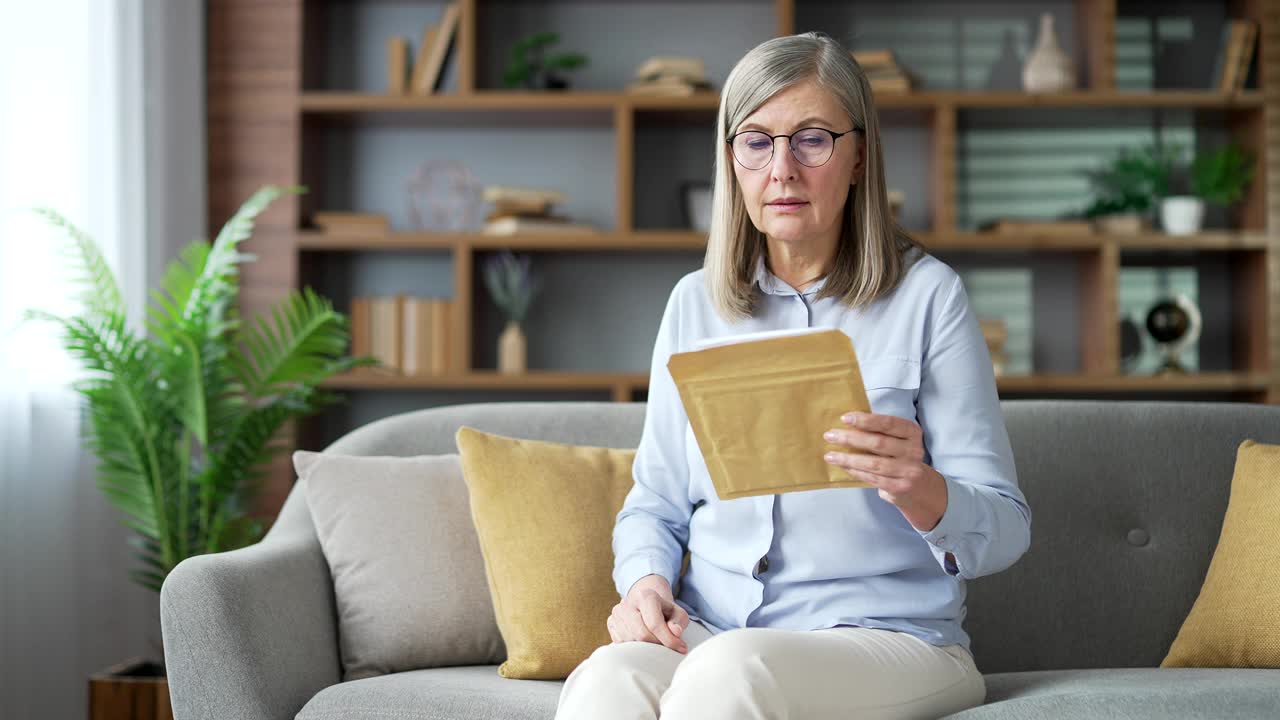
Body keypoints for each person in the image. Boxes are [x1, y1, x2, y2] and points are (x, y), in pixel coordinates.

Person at [555, 31, 1031, 720]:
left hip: (891, 641)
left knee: (730, 672)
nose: (782, 169)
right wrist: (646, 583)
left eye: (812, 139)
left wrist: (921, 489)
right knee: (608, 679)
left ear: (859, 155)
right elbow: (654, 503)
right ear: (732, 160)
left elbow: (1007, 526)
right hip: (718, 630)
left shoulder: (930, 298)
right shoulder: (694, 304)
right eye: (756, 140)